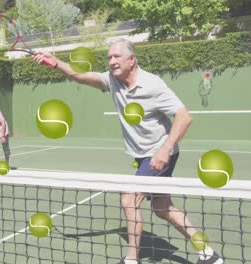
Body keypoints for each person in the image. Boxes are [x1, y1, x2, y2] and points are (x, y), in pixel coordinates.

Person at [32, 39, 223, 264]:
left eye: (116, 57)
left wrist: (165, 149)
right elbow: (80, 75)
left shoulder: (153, 85)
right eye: (109, 57)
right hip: (143, 155)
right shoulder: (113, 80)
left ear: (132, 60)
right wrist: (53, 62)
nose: (112, 61)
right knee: (162, 207)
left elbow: (184, 116)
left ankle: (132, 259)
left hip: (159, 153)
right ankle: (209, 254)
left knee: (129, 201)